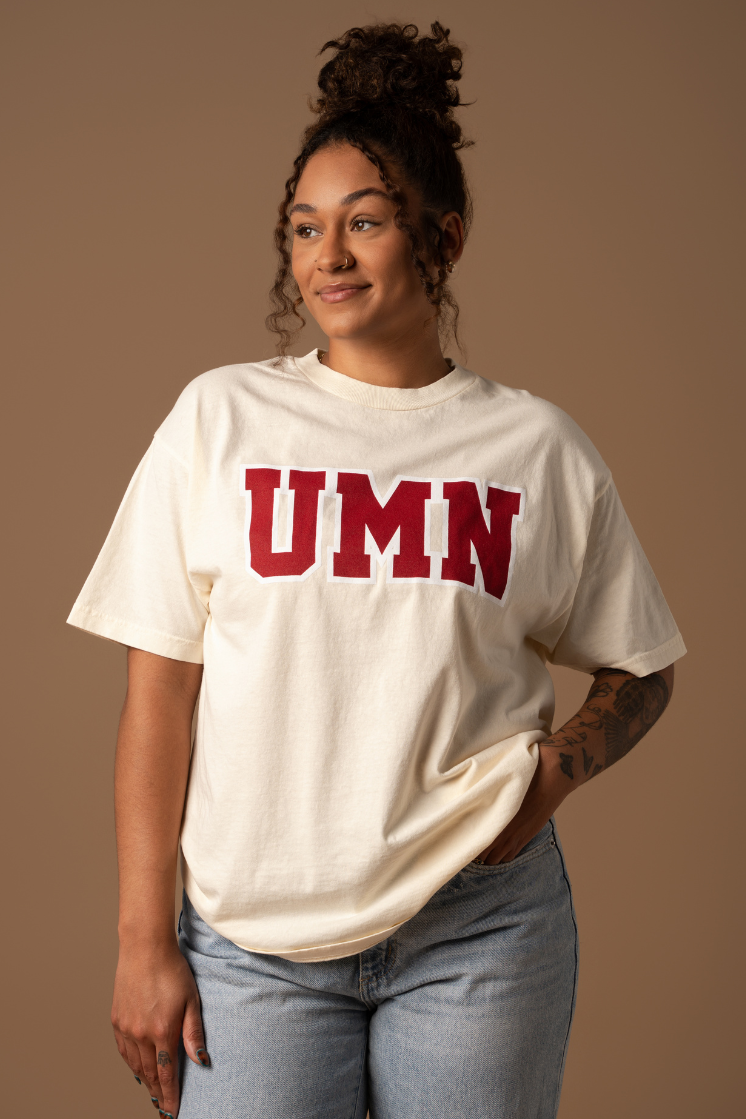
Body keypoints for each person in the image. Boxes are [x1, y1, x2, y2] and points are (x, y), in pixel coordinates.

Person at [68, 21, 685, 1119]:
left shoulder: (532, 448)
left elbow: (640, 667)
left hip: (479, 930)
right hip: (252, 943)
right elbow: (158, 689)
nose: (327, 256)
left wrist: (548, 784)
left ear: (440, 242)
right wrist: (139, 941)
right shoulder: (221, 419)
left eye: (364, 221)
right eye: (304, 227)